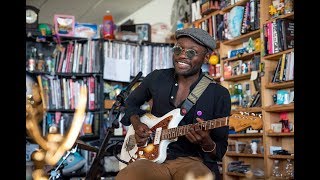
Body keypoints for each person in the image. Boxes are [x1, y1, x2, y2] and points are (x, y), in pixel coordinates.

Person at [116, 28, 231, 180]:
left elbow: (219, 151)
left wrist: (206, 141)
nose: (182, 55)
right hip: (149, 159)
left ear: (206, 58)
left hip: (191, 161)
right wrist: (137, 125)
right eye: (178, 49)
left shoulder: (219, 94)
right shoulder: (157, 77)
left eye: (192, 52)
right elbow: (130, 103)